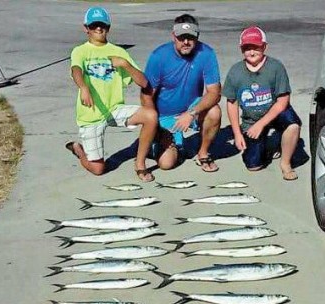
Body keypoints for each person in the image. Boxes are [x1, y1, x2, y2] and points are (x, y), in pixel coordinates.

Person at [66, 6, 157, 182]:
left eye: (103, 25)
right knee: (99, 169)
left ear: (109, 27)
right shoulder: (80, 51)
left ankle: (140, 165)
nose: (99, 29)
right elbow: (76, 69)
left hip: (114, 109)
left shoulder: (119, 52)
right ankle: (79, 150)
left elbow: (144, 83)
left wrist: (125, 64)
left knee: (150, 116)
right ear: (86, 28)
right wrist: (83, 87)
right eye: (94, 25)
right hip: (91, 114)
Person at [141, 14, 221, 172]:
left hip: (190, 110)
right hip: (163, 117)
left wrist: (191, 113)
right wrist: (153, 122)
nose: (186, 42)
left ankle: (203, 153)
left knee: (215, 111)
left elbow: (214, 93)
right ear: (173, 36)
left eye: (190, 37)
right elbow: (146, 95)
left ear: (197, 36)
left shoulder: (207, 53)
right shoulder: (158, 56)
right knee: (166, 164)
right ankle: (162, 142)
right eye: (181, 37)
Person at [223, 26, 301, 181]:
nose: (252, 52)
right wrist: (237, 134)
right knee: (254, 166)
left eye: (256, 47)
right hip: (251, 119)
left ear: (265, 47)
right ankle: (267, 147)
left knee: (293, 125)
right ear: (241, 49)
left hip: (276, 112)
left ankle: (285, 163)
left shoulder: (276, 67)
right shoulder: (235, 71)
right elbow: (232, 103)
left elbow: (283, 101)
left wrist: (262, 124)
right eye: (247, 48)